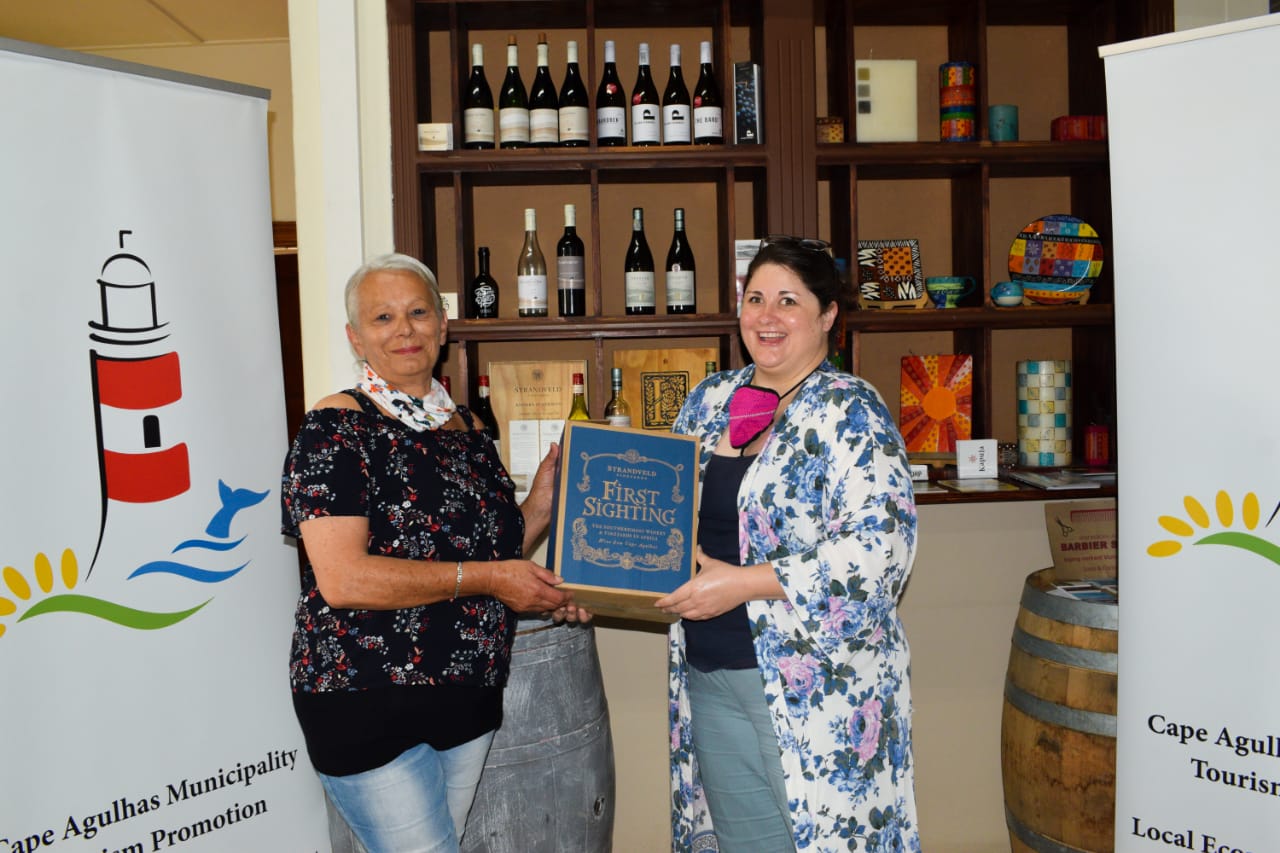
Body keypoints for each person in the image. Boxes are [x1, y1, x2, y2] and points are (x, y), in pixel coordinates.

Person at [281, 252, 582, 852]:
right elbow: (343, 578)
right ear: (355, 337)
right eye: (383, 317)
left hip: (468, 696)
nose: (405, 329)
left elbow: (496, 553)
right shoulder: (335, 428)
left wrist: (543, 505)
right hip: (366, 697)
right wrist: (492, 580)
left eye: (418, 312)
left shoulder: (468, 429)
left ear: (442, 325)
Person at [656, 236, 920, 852]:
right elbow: (664, 522)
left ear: (828, 315)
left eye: (788, 301)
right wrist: (598, 578)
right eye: (755, 299)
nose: (766, 316)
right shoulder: (707, 401)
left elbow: (881, 548)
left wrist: (743, 584)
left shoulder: (851, 410)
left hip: (816, 686)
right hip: (709, 673)